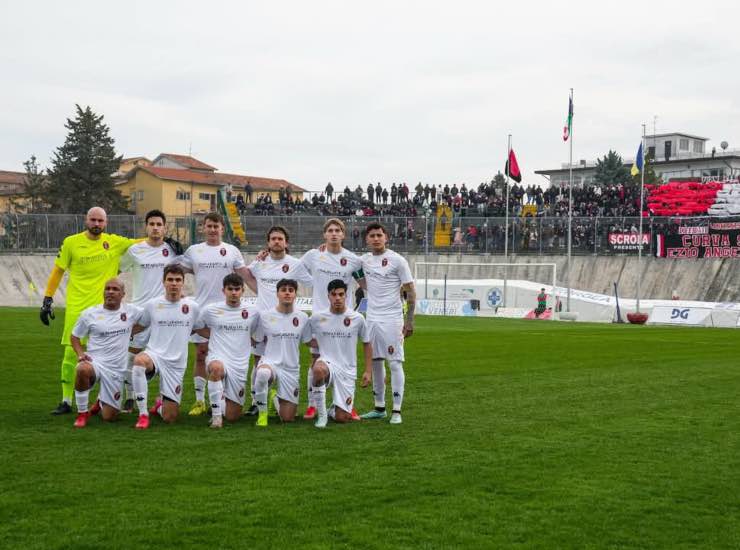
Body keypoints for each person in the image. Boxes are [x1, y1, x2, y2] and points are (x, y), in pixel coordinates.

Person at [40, 206, 144, 415]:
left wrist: (166, 241)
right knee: (71, 354)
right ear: (86, 220)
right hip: (77, 307)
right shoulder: (71, 242)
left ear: (106, 223)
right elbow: (58, 270)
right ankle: (66, 401)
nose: (97, 224)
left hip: (106, 310)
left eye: (100, 221)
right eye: (93, 220)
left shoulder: (114, 242)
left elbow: (141, 242)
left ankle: (101, 400)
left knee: (109, 354)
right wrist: (47, 298)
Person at [178, 212, 250, 416]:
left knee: (227, 355)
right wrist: (179, 292)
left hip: (228, 312)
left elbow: (245, 275)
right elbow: (179, 271)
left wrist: (264, 293)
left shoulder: (231, 251)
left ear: (222, 229)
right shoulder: (194, 251)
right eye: (208, 226)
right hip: (202, 311)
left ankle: (224, 398)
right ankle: (201, 401)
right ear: (203, 228)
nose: (212, 229)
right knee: (201, 355)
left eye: (215, 226)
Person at [242, 226, 312, 415]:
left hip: (287, 321)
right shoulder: (259, 262)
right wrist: (259, 290)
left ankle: (280, 394)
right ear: (268, 242)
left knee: (285, 357)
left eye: (280, 238)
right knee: (258, 362)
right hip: (263, 320)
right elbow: (246, 276)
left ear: (286, 242)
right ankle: (257, 402)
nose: (276, 241)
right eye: (273, 238)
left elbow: (312, 282)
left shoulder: (295, 264)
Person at [299, 218, 362, 420]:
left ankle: (347, 403)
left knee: (347, 360)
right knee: (315, 359)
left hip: (345, 319)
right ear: (324, 234)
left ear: (343, 235)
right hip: (320, 317)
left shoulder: (353, 260)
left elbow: (364, 281)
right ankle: (312, 405)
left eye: (338, 230)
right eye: (330, 230)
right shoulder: (313, 256)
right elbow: (295, 270)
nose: (334, 233)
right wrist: (314, 282)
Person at [118, 209, 180, 412]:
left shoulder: (172, 251)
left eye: (159, 224)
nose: (155, 227)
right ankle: (129, 396)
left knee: (166, 356)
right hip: (139, 311)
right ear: (146, 227)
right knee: (132, 355)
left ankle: (162, 398)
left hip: (164, 313)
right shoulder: (135, 250)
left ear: (164, 228)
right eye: (151, 224)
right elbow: (117, 269)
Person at [130, 265, 200, 429]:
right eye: (170, 279)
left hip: (176, 364)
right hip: (154, 355)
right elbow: (140, 325)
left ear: (183, 282)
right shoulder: (152, 305)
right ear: (163, 282)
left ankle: (160, 405)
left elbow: (201, 328)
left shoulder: (192, 307)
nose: (174, 283)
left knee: (170, 417)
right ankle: (143, 414)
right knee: (139, 361)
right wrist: (118, 333)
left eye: (177, 280)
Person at [359, 222, 416, 425]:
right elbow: (351, 269)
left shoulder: (397, 260)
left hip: (393, 319)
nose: (376, 238)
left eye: (379, 235)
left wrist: (409, 321)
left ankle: (397, 411)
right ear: (367, 239)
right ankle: (379, 407)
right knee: (375, 362)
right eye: (372, 235)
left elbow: (410, 291)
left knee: (394, 362)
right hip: (372, 318)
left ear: (386, 238)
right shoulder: (363, 261)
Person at [70, 278, 143, 428]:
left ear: (123, 294)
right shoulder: (89, 314)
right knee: (82, 369)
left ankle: (100, 401)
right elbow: (75, 336)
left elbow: (151, 317)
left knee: (109, 417)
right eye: (108, 288)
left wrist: (130, 331)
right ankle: (82, 413)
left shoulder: (132, 311)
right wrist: (80, 354)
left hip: (116, 369)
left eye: (115, 289)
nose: (110, 291)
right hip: (95, 362)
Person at [193, 273, 260, 428]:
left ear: (243, 290)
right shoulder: (211, 310)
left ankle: (218, 401)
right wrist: (214, 335)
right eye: (230, 289)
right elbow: (197, 327)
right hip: (218, 356)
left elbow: (256, 333)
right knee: (216, 369)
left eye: (237, 289)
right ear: (224, 291)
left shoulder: (253, 311)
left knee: (233, 416)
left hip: (239, 363)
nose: (234, 292)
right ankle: (216, 418)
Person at [308, 280, 372, 428]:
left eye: (341, 294)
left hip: (347, 370)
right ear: (328, 296)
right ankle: (322, 416)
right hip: (327, 364)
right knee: (317, 370)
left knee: (342, 418)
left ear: (346, 296)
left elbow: (367, 343)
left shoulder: (357, 318)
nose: (337, 298)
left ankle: (334, 410)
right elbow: (306, 339)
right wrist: (320, 345)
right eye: (334, 294)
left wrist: (368, 371)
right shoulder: (317, 318)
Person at [251, 279, 312, 427]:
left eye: (291, 290)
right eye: (283, 290)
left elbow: (309, 342)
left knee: (288, 418)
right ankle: (262, 414)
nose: (287, 292)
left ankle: (274, 397)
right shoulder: (265, 316)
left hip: (291, 369)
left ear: (295, 295)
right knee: (263, 374)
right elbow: (255, 339)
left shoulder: (303, 317)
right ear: (277, 294)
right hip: (270, 363)